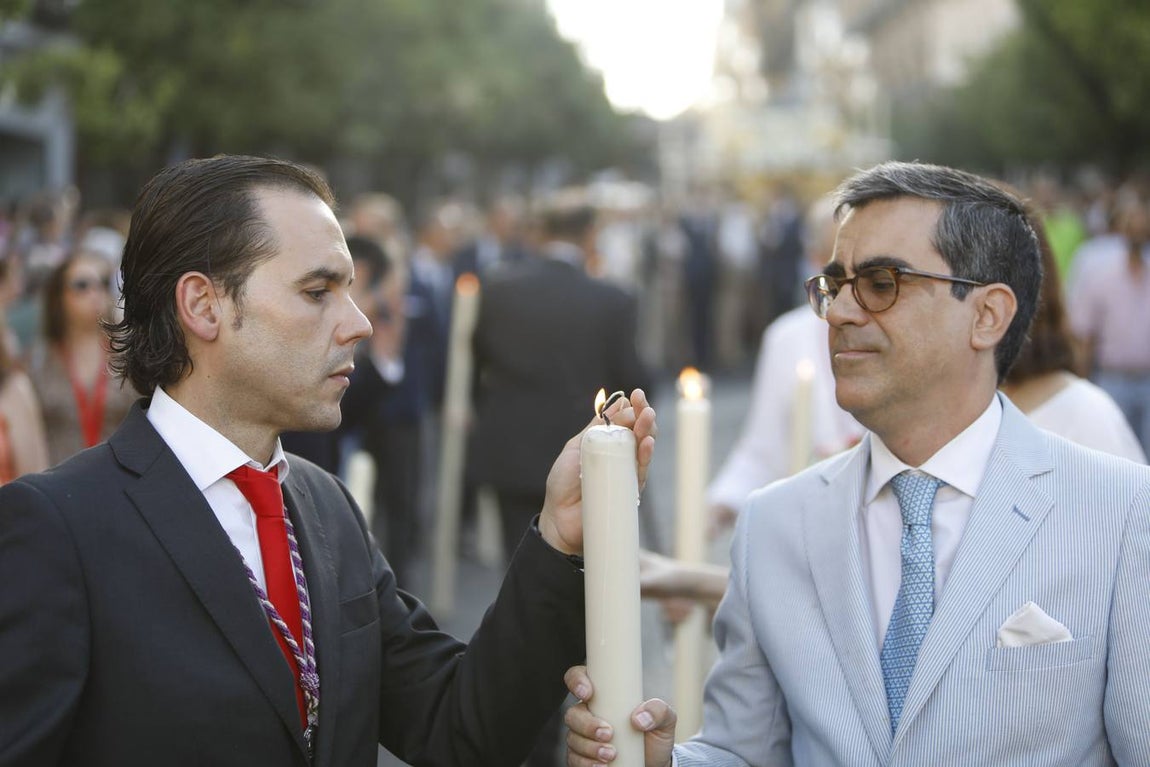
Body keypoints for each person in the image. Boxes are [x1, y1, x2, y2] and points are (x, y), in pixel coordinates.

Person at [0, 155, 657, 767]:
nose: (359, 323)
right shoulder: (57, 528)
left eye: (350, 290)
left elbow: (460, 727)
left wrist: (557, 537)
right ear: (203, 305)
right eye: (317, 291)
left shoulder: (325, 505)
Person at [566, 161, 1150, 766]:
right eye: (835, 284)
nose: (840, 311)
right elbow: (746, 753)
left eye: (880, 282)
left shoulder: (1122, 511)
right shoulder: (775, 523)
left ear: (987, 316)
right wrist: (660, 761)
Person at [468, 194, 651, 765]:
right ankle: (588, 717)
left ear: (539, 231)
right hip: (587, 466)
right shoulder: (612, 297)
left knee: (522, 590)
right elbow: (631, 380)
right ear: (590, 234)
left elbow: (476, 365)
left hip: (512, 455)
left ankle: (533, 733)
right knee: (590, 597)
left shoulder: (497, 290)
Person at [28, 251, 137, 466]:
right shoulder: (38, 360)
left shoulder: (130, 355)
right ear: (59, 297)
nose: (95, 292)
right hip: (56, 479)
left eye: (103, 283)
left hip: (120, 476)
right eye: (82, 285)